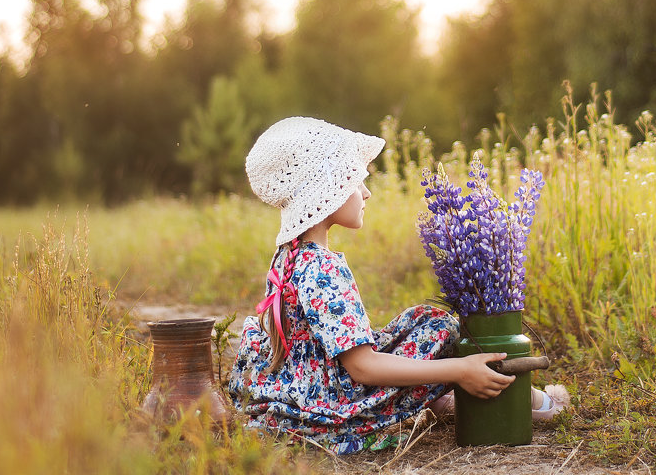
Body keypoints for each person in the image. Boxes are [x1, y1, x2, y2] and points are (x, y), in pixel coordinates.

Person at [227, 116, 568, 453]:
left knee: (425, 320)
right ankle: (533, 402)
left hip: (306, 387)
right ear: (327, 191)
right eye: (355, 180)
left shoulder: (290, 255)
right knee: (443, 332)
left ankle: (444, 398)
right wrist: (460, 369)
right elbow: (363, 366)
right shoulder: (322, 267)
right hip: (333, 410)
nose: (366, 192)